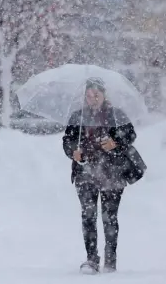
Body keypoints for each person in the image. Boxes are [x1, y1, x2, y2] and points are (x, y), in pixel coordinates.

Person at [62, 78, 145, 274]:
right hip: (85, 173)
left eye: (96, 94)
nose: (92, 98)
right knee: (88, 217)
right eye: (88, 95)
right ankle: (91, 259)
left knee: (110, 218)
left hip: (112, 173)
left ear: (104, 94)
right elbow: (67, 141)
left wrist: (115, 142)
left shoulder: (116, 115)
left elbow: (131, 135)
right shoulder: (77, 116)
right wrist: (73, 151)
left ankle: (110, 261)